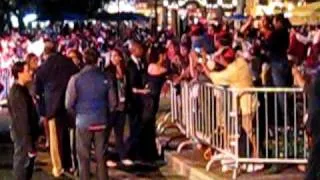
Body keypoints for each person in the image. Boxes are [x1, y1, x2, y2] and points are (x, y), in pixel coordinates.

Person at [65, 48, 116, 180]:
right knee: (101, 157)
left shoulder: (75, 79)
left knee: (83, 158)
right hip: (101, 120)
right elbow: (113, 102)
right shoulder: (106, 78)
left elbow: (68, 103)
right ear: (98, 60)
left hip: (83, 120)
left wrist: (78, 113)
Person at [35, 40, 79, 177]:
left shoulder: (43, 67)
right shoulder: (68, 63)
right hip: (70, 104)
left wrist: (42, 108)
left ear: (45, 52)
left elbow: (38, 89)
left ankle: (58, 167)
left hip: (52, 106)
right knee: (68, 137)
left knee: (55, 140)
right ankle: (70, 163)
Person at [8, 61, 40, 180]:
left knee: (26, 168)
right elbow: (22, 120)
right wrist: (29, 144)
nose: (31, 73)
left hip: (25, 137)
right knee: (22, 167)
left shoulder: (23, 90)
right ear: (19, 73)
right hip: (23, 138)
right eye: (27, 71)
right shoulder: (18, 93)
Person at [139, 45, 168, 162]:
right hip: (151, 99)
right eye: (164, 55)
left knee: (148, 125)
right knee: (149, 125)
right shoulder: (160, 69)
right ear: (160, 56)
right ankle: (148, 153)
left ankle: (147, 152)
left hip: (148, 98)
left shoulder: (150, 66)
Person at [125, 41, 149, 163]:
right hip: (133, 102)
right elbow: (130, 86)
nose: (142, 51)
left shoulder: (142, 63)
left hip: (140, 102)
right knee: (134, 127)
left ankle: (139, 152)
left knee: (139, 127)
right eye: (139, 48)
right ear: (134, 50)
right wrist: (141, 91)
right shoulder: (129, 65)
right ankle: (130, 152)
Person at [104, 49, 129, 167]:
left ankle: (122, 156)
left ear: (120, 57)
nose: (114, 58)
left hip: (122, 105)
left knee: (119, 133)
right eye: (112, 56)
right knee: (107, 133)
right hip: (112, 106)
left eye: (116, 56)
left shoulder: (124, 71)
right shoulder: (108, 71)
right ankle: (106, 157)